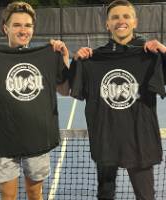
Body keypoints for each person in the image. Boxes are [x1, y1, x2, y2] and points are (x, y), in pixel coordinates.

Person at [0, 2, 69, 200]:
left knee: (34, 194)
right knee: (8, 196)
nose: (23, 30)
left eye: (28, 25)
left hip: (37, 139)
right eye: (17, 25)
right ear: (6, 28)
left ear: (33, 29)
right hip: (2, 142)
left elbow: (65, 90)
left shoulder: (47, 56)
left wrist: (64, 57)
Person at [70, 0, 166, 200]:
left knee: (146, 196)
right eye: (114, 17)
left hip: (139, 140)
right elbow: (68, 86)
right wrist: (77, 60)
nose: (120, 21)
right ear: (107, 24)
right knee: (105, 195)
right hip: (107, 140)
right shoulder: (92, 59)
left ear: (135, 22)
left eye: (126, 16)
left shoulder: (149, 55)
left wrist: (163, 51)